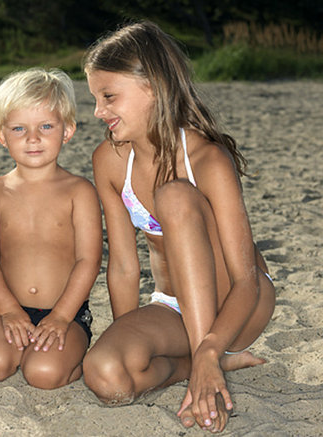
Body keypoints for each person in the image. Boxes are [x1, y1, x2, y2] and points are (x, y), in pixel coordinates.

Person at [82, 21, 275, 432]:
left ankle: (210, 364)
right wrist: (126, 333)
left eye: (109, 96)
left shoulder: (207, 159)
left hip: (239, 305)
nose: (99, 111)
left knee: (174, 196)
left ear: (152, 87)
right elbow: (122, 267)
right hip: (172, 306)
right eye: (95, 99)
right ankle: (204, 364)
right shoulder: (110, 160)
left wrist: (210, 346)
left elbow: (246, 281)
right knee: (105, 373)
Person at [0, 68, 102, 389]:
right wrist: (8, 310)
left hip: (64, 310)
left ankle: (73, 351)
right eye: (19, 128)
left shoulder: (79, 191)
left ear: (67, 131)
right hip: (9, 307)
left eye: (46, 126)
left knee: (43, 375)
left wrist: (61, 317)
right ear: (1, 135)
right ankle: (14, 337)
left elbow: (89, 261)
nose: (33, 138)